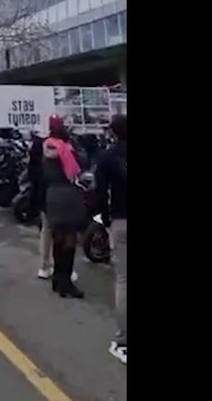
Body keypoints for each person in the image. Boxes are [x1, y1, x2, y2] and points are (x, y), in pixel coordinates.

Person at [94, 114, 128, 365]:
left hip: (120, 221)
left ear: (113, 132)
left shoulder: (107, 157)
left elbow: (100, 192)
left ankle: (124, 338)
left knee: (124, 280)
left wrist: (105, 220)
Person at [42, 116, 87, 298]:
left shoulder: (45, 147)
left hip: (52, 194)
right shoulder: (67, 149)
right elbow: (81, 164)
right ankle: (66, 281)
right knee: (70, 239)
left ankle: (57, 279)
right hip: (68, 194)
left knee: (58, 237)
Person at [30, 125, 78, 283]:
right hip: (61, 195)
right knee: (65, 233)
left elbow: (32, 171)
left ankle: (45, 266)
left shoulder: (40, 147)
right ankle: (63, 271)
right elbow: (75, 171)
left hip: (44, 193)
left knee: (47, 230)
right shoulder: (66, 150)